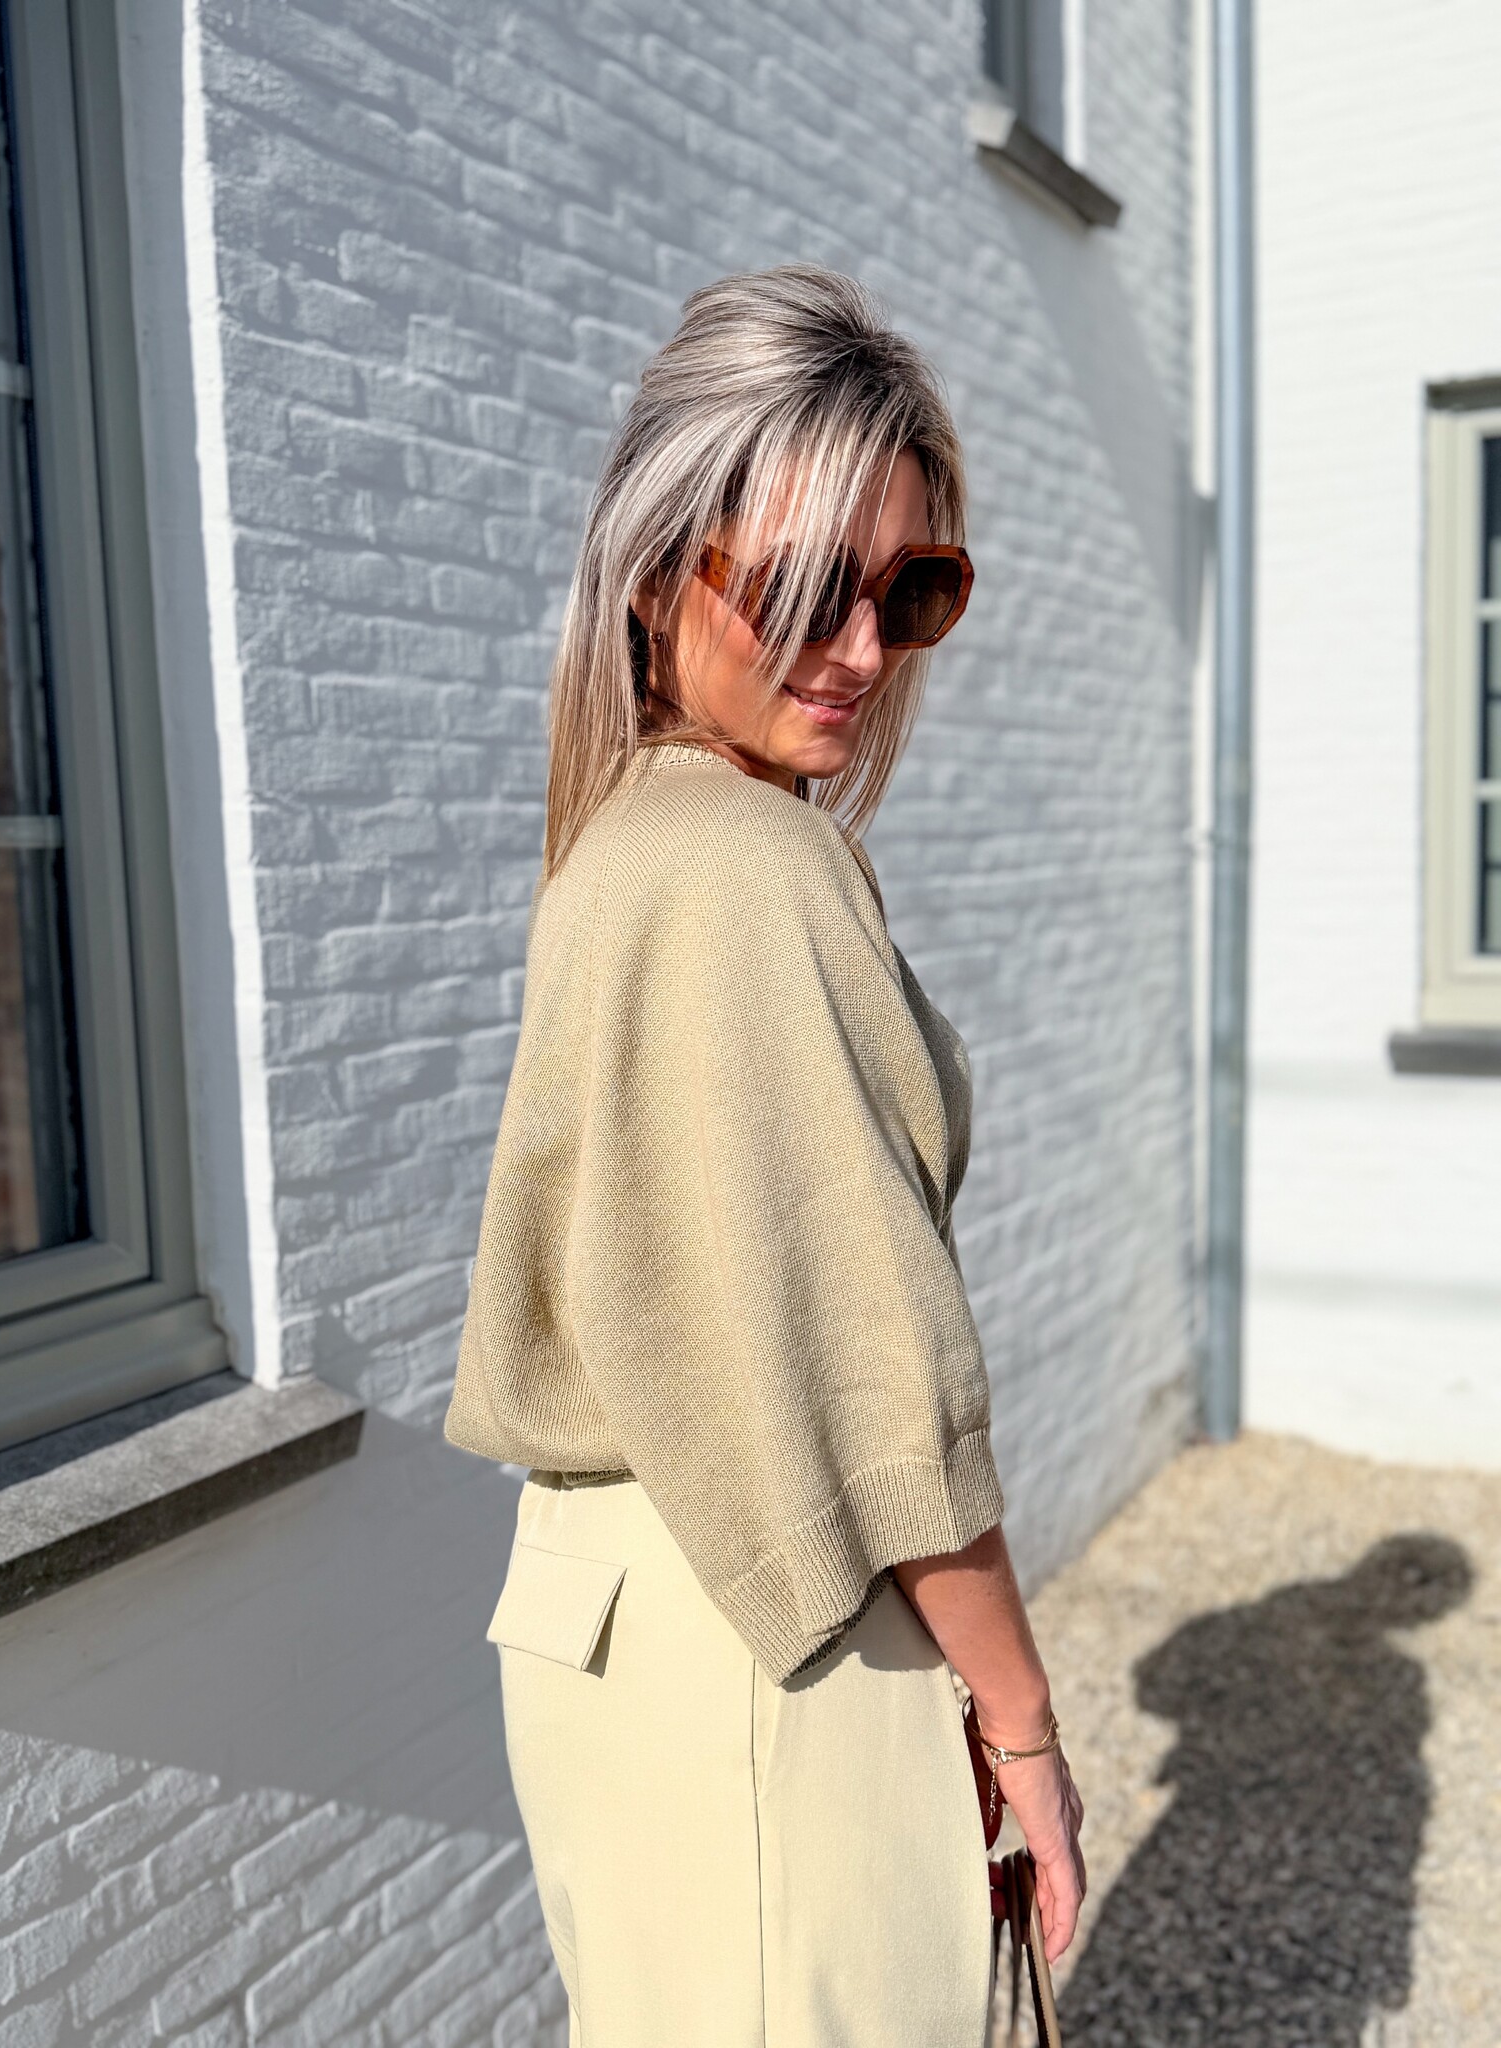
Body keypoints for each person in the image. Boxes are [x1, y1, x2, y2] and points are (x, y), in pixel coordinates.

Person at [444, 263, 1086, 2047]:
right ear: (657, 576)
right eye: (803, 588)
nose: (863, 650)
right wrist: (1025, 1729)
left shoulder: (626, 842)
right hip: (765, 1632)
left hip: (612, 1622)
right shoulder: (750, 866)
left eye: (911, 590)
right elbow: (886, 1394)